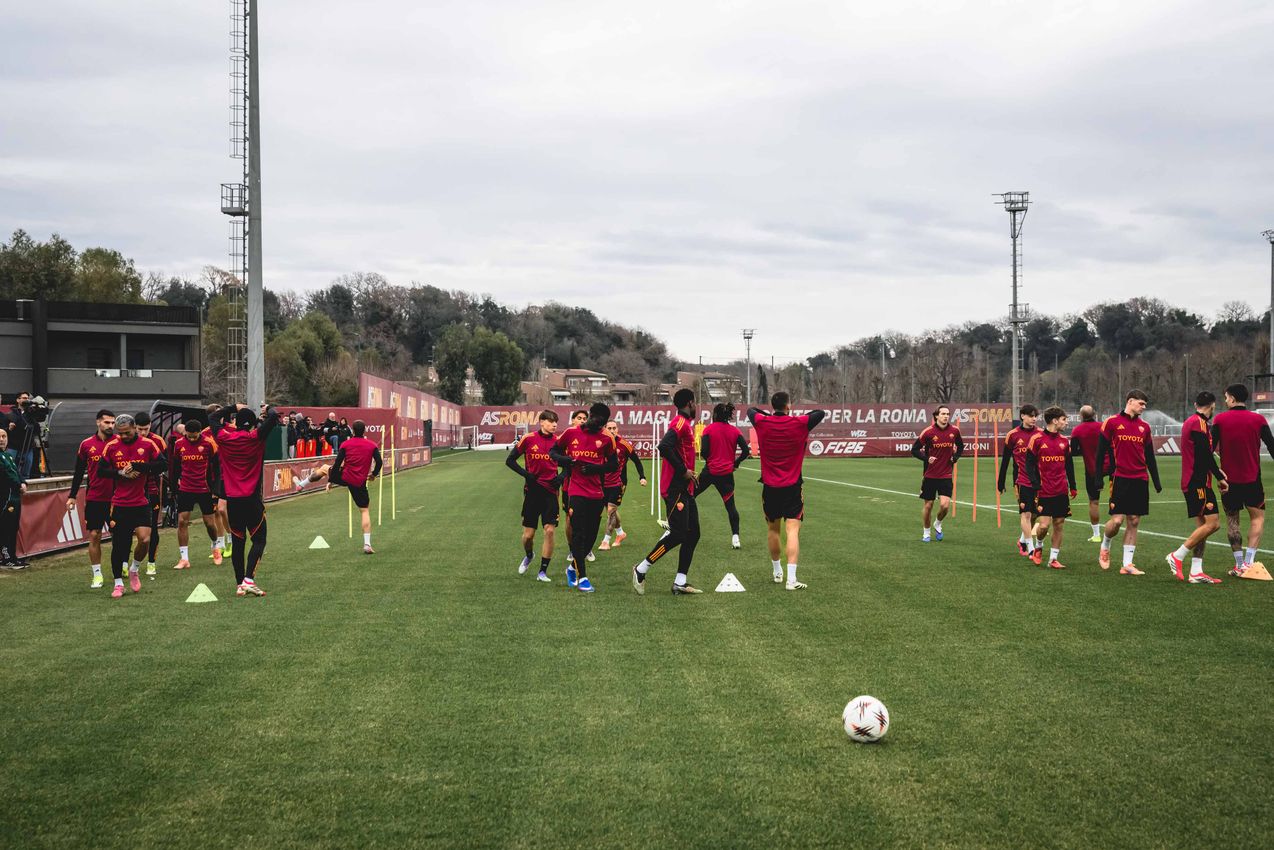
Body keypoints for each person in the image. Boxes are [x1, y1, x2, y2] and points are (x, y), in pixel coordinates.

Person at [747, 392, 827, 590]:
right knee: (792, 530)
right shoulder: (799, 423)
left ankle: (777, 572)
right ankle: (791, 579)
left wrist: (770, 415)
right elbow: (819, 413)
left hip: (770, 487)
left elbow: (751, 411)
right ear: (788, 405)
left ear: (772, 406)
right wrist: (791, 416)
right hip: (792, 487)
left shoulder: (762, 422)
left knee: (773, 529)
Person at [631, 390, 706, 595]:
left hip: (685, 489)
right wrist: (683, 471)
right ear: (690, 403)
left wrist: (689, 475)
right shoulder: (680, 423)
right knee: (679, 533)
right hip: (674, 488)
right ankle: (641, 569)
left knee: (693, 533)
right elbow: (664, 446)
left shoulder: (685, 424)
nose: (695, 406)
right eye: (694, 403)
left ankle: (680, 582)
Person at [209, 403, 279, 597]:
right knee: (259, 539)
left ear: (236, 423)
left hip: (232, 500)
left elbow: (212, 418)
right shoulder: (256, 437)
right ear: (252, 425)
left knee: (238, 542)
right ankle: (248, 580)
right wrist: (268, 409)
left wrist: (232, 407)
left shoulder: (224, 438)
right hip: (251, 499)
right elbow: (274, 417)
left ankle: (240, 584)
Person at [96, 414, 166, 598]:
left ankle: (134, 568)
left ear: (135, 428)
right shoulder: (112, 446)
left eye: (127, 432)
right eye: (121, 433)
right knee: (119, 545)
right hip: (119, 504)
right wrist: (121, 473)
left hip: (141, 502)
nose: (124, 436)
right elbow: (101, 470)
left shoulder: (148, 444)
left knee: (145, 539)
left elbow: (162, 464)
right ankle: (118, 583)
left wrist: (138, 466)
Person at [551, 402, 617, 593]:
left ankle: (572, 568)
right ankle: (583, 578)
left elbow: (613, 465)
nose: (600, 426)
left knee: (591, 537)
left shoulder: (607, 438)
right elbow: (553, 452)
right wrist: (567, 460)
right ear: (590, 415)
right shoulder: (571, 433)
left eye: (603, 423)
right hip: (576, 491)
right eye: (597, 421)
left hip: (596, 492)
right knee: (578, 534)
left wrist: (597, 468)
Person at [1211, 383, 1274, 577]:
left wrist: (1217, 473)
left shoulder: (1220, 419)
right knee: (1258, 518)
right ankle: (1248, 563)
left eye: (1226, 397)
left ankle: (1239, 565)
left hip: (1228, 482)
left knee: (1232, 521)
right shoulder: (1258, 419)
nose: (1225, 400)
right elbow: (1272, 447)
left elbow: (1208, 450)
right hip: (1253, 480)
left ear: (1231, 398)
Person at [1096, 390, 1161, 575]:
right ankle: (1105, 545)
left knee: (1134, 520)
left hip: (1140, 479)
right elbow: (1100, 452)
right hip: (1120, 478)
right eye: (1141, 403)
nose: (1144, 407)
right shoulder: (1112, 422)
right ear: (1130, 401)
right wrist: (1098, 477)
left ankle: (1127, 564)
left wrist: (1156, 480)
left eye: (1145, 404)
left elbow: (1149, 456)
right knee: (1117, 521)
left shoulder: (1144, 427)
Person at [1165, 392, 1227, 584]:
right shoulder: (1198, 423)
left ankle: (1196, 572)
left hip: (1197, 481)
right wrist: (1219, 477)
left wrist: (1215, 474)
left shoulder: (1198, 423)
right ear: (1213, 405)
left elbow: (1203, 454)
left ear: (1195, 404)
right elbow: (1204, 455)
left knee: (1203, 527)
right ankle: (1177, 555)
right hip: (1196, 482)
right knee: (1213, 524)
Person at [295, 420, 383, 554]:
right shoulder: (371, 445)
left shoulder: (346, 444)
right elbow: (379, 462)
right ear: (364, 431)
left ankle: (301, 485)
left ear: (353, 431)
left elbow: (337, 464)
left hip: (345, 477)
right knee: (364, 511)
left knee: (324, 468)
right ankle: (367, 544)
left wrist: (331, 479)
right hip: (359, 481)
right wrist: (374, 474)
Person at [505, 410, 562, 580]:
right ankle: (529, 555)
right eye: (551, 421)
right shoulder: (528, 439)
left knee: (549, 531)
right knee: (528, 536)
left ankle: (542, 571)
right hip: (532, 492)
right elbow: (510, 460)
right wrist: (526, 474)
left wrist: (560, 478)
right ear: (542, 422)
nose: (554, 425)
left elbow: (569, 465)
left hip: (551, 492)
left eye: (556, 422)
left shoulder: (559, 442)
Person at [68, 409, 116, 587]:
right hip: (95, 497)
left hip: (117, 499)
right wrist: (72, 496)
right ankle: (97, 574)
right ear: (98, 422)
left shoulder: (119, 442)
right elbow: (78, 471)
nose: (110, 426)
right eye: (107, 422)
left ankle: (122, 565)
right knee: (95, 535)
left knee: (119, 535)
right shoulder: (86, 444)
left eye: (113, 423)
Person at [1024, 407, 1077, 569]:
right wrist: (1035, 483)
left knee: (1059, 523)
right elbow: (1029, 464)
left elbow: (1069, 465)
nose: (1066, 423)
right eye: (1064, 419)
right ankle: (1039, 545)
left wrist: (1073, 486)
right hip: (1044, 490)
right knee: (1044, 526)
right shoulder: (1037, 439)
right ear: (1054, 420)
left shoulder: (1064, 441)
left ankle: (1053, 559)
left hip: (1061, 489)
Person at [170, 419, 222, 571]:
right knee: (182, 522)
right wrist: (173, 487)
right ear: (185, 432)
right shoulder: (179, 444)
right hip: (186, 488)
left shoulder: (209, 443)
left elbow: (217, 467)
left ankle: (215, 546)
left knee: (209, 523)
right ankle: (184, 558)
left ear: (200, 432)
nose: (192, 439)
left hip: (205, 489)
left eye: (195, 436)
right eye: (189, 436)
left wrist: (216, 489)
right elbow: (175, 467)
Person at [697, 403, 750, 549]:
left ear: (715, 415)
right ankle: (736, 538)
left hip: (710, 472)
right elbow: (746, 451)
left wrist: (710, 461)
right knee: (730, 506)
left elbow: (704, 451)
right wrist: (736, 463)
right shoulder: (735, 431)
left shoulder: (708, 429)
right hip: (726, 474)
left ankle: (676, 525)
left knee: (690, 495)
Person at [911, 405, 963, 543]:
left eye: (947, 414)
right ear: (936, 416)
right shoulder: (928, 432)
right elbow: (914, 450)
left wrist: (955, 457)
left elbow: (961, 446)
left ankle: (938, 523)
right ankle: (926, 532)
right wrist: (926, 458)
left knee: (945, 506)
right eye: (943, 414)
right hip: (930, 475)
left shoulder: (955, 431)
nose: (946, 416)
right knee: (928, 506)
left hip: (946, 474)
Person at [997, 405, 1041, 558]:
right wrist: (1001, 481)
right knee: (1026, 514)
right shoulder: (1013, 435)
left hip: (1039, 481)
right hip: (1021, 480)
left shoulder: (1041, 434)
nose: (1034, 419)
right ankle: (1031, 548)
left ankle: (1022, 540)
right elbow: (1005, 460)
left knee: (1035, 514)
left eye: (1035, 416)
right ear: (1022, 416)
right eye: (1031, 416)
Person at [599, 420, 646, 551]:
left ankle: (606, 541)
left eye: (614, 428)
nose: (612, 430)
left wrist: (642, 477)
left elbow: (636, 461)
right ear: (605, 429)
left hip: (619, 482)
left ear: (617, 429)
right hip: (602, 482)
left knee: (611, 510)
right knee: (610, 510)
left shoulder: (624, 444)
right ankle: (620, 533)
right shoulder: (601, 442)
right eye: (609, 428)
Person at [131, 411, 168, 578]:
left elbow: (164, 464)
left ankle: (151, 563)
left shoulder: (157, 441)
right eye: (140, 429)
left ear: (150, 425)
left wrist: (143, 468)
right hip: (130, 491)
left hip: (152, 490)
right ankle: (124, 563)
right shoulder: (126, 441)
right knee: (126, 530)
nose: (143, 432)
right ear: (134, 427)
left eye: (146, 429)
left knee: (152, 528)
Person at [559, 409, 590, 572]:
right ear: (573, 420)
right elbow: (555, 457)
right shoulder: (566, 437)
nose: (583, 420)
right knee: (570, 519)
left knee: (588, 518)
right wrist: (568, 462)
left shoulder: (591, 437)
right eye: (579, 418)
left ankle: (586, 547)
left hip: (589, 485)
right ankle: (572, 549)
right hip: (569, 486)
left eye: (585, 418)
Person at [1068, 405, 1104, 543]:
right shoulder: (1103, 426)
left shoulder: (1077, 430)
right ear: (1094, 414)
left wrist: (1084, 450)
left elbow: (1074, 451)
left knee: (1094, 502)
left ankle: (1097, 535)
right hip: (1111, 467)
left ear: (1081, 416)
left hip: (1092, 470)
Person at [0, 428, 27, 569]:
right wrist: (18, 485)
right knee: (6, 526)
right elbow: (5, 474)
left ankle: (13, 556)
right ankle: (6, 558)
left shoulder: (8, 456)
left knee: (14, 527)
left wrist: (23, 482)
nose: (2, 439)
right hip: (6, 497)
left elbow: (16, 471)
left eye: (4, 436)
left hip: (15, 497)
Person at [206, 404, 229, 562]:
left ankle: (231, 539)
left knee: (224, 509)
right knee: (215, 511)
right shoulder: (204, 434)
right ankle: (220, 544)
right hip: (212, 477)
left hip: (228, 474)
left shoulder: (232, 429)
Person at [5, 392, 35, 479]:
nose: (27, 400)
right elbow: (4, 430)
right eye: (24, 398)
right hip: (13, 447)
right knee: (10, 471)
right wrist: (9, 428)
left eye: (28, 398)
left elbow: (36, 430)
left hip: (28, 447)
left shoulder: (31, 414)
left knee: (25, 473)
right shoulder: (10, 415)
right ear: (18, 400)